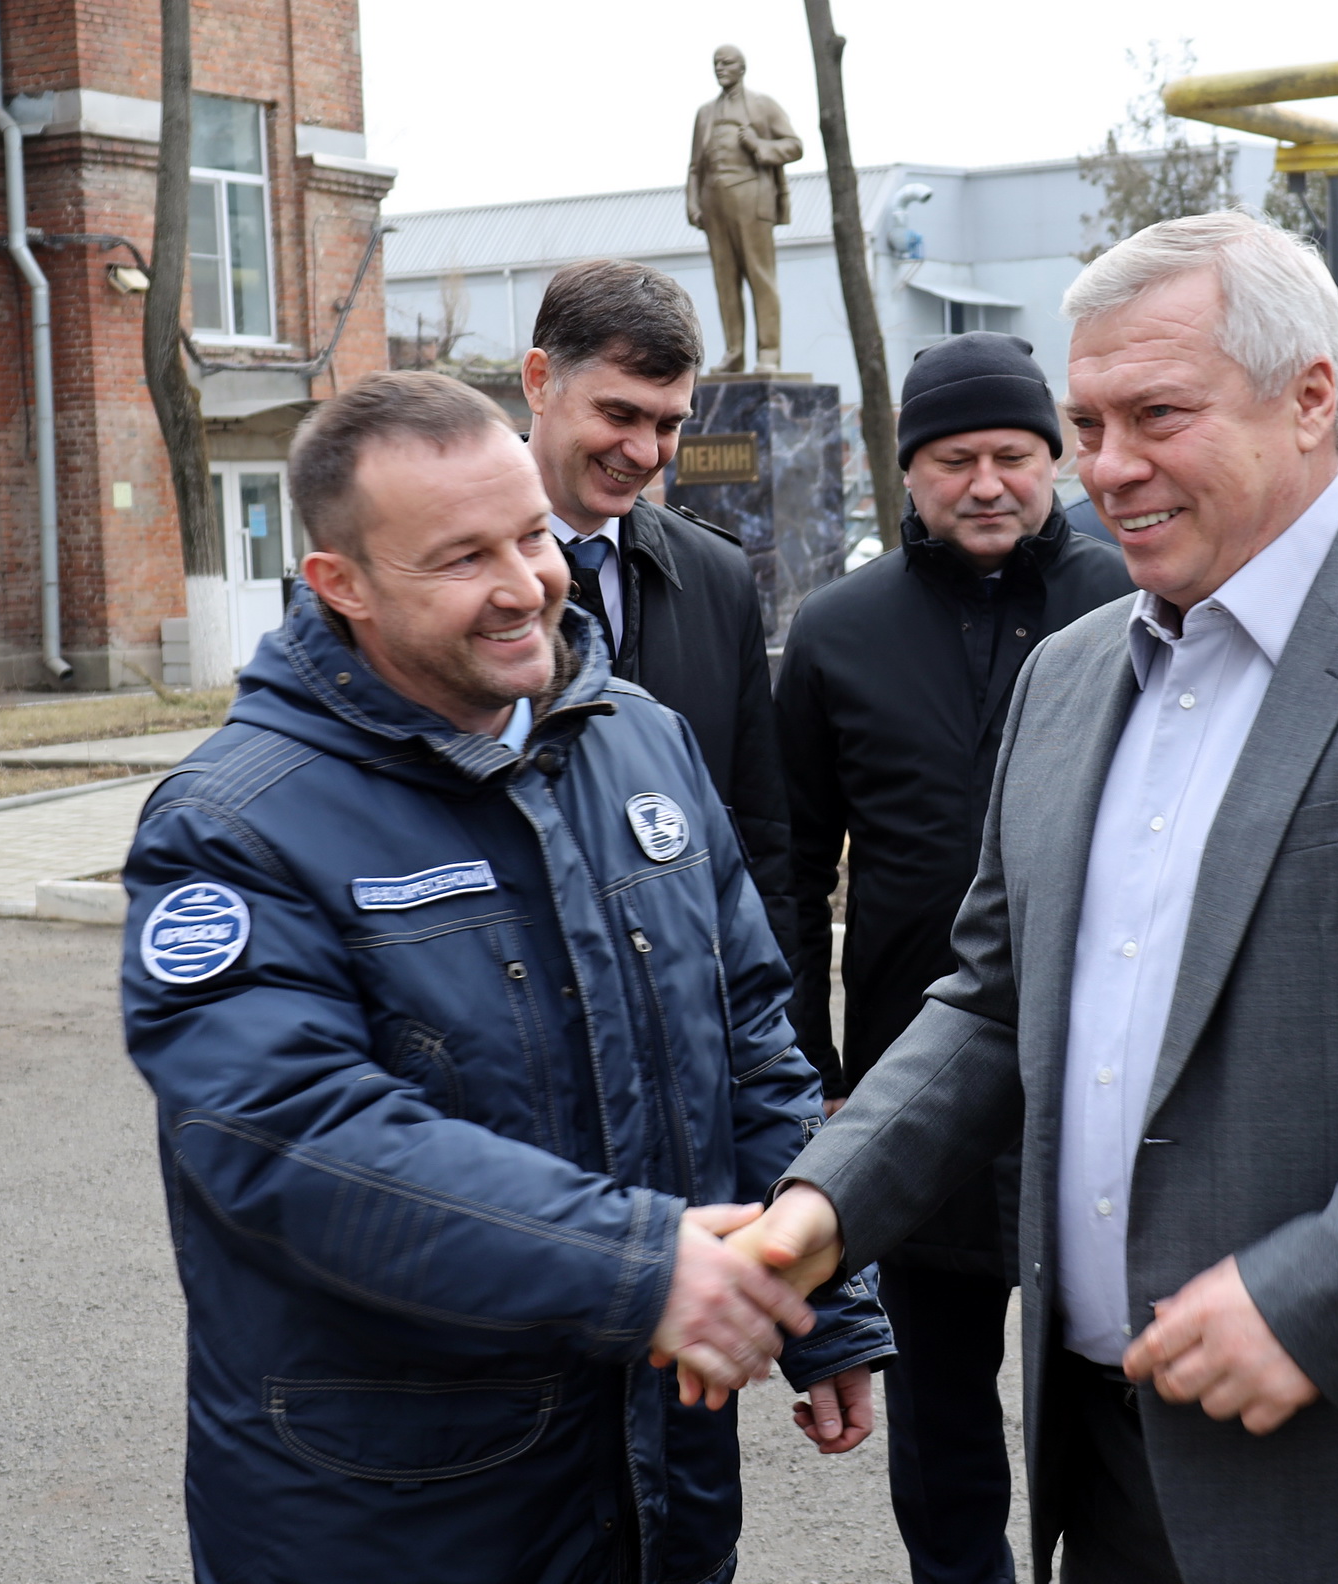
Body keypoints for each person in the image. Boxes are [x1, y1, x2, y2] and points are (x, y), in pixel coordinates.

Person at [739, 213, 1338, 1582]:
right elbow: (993, 999)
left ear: (1310, 397)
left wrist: (1319, 1291)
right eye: (1086, 421)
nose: (1108, 468)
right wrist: (820, 1211)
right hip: (1121, 1463)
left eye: (1157, 415)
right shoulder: (1069, 678)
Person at [120, 371, 891, 1584]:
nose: (527, 582)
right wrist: (641, 1267)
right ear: (344, 587)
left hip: (656, 1477)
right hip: (394, 1505)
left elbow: (746, 1029)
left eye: (532, 532)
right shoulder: (233, 827)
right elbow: (291, 1139)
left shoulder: (639, 736)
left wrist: (823, 1298)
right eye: (461, 557)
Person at [775, 332, 1130, 1584]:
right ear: (908, 475)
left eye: (1015, 456)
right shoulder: (835, 631)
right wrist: (813, 1066)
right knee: (935, 1410)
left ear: (1057, 461)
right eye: (954, 459)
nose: (988, 483)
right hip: (909, 1080)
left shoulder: (1134, 602)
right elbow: (794, 861)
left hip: (1102, 1080)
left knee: (1111, 1380)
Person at [520, 257, 796, 962]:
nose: (644, 451)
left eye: (669, 423)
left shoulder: (718, 577)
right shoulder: (445, 575)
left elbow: (759, 840)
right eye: (618, 413)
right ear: (539, 381)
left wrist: (791, 1059)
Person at [686, 44, 802, 374]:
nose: (720, 68)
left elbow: (794, 145)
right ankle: (734, 353)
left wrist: (759, 145)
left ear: (742, 67)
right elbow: (695, 165)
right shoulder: (705, 113)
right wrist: (692, 202)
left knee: (760, 277)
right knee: (725, 281)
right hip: (714, 203)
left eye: (727, 63)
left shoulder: (763, 105)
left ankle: (768, 354)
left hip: (752, 197)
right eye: (716, 63)